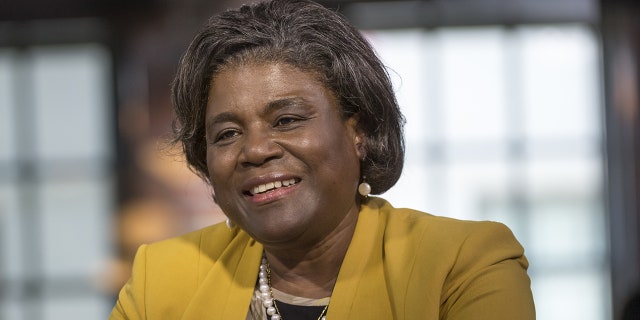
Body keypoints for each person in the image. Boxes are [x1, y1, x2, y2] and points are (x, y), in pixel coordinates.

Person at [109, 0, 535, 319]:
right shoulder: (160, 279)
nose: (256, 150)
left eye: (287, 119)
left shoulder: (462, 264)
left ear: (359, 131)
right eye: (228, 134)